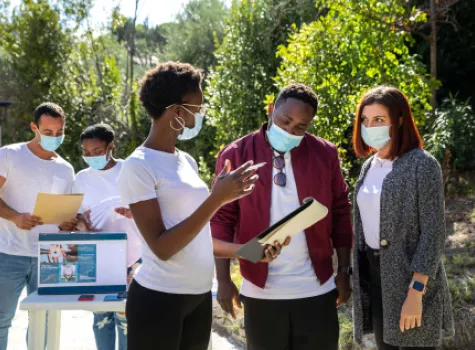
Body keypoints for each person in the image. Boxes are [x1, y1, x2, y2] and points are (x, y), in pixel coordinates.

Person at [117, 61, 272, 350]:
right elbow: (162, 248)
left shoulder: (185, 161)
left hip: (199, 296)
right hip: (158, 300)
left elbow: (196, 236)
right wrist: (217, 198)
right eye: (197, 109)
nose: (199, 115)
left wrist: (247, 251)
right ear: (176, 111)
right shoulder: (137, 167)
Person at [211, 83, 353, 350]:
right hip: (260, 291)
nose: (290, 130)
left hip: (316, 291)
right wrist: (223, 279)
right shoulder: (236, 155)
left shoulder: (325, 154)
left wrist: (344, 270)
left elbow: (340, 210)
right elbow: (222, 218)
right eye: (285, 120)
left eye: (300, 127)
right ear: (270, 109)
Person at [351, 86, 455, 349]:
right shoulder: (368, 166)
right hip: (376, 277)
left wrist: (416, 291)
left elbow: (434, 232)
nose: (369, 126)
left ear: (398, 120)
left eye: (378, 120)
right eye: (365, 120)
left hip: (411, 279)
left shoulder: (423, 164)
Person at [0, 102, 77, 350]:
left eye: (59, 132)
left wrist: (68, 224)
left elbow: (66, 214)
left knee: (44, 322)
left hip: (51, 257)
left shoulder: (67, 169)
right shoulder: (9, 155)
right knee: (1, 320)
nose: (55, 137)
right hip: (8, 253)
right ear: (34, 127)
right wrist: (14, 217)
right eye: (48, 132)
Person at [72, 123, 142, 350]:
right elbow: (75, 217)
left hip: (133, 255)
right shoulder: (81, 179)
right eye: (86, 152)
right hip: (98, 258)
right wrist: (82, 222)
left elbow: (150, 209)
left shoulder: (129, 171)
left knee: (127, 317)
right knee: (101, 318)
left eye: (97, 151)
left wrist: (133, 212)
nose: (90, 156)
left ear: (111, 146)